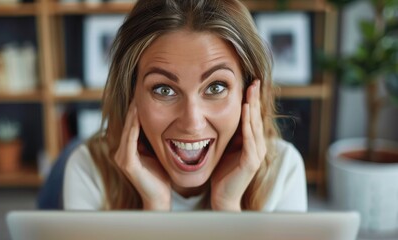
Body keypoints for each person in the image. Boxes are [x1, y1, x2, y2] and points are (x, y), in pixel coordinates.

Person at [63, 0, 307, 211]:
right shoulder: (89, 171)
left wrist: (227, 207)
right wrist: (155, 208)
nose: (192, 122)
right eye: (164, 90)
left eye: (216, 87)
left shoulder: (283, 172)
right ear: (130, 93)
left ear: (247, 94)